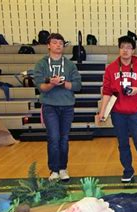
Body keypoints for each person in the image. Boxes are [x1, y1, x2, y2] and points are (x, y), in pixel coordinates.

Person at [98, 35, 137, 183]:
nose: (125, 50)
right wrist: (102, 112)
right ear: (119, 49)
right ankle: (128, 170)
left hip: (134, 113)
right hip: (117, 113)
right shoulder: (111, 68)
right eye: (122, 47)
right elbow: (107, 92)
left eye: (128, 47)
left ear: (133, 50)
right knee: (123, 143)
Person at [34, 33, 82, 182]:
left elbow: (78, 85)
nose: (58, 45)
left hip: (67, 106)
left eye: (60, 43)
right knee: (54, 138)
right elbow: (40, 86)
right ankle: (54, 169)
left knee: (64, 138)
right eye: (54, 43)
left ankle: (63, 168)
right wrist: (52, 84)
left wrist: (63, 84)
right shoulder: (41, 64)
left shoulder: (69, 65)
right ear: (49, 45)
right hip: (50, 106)